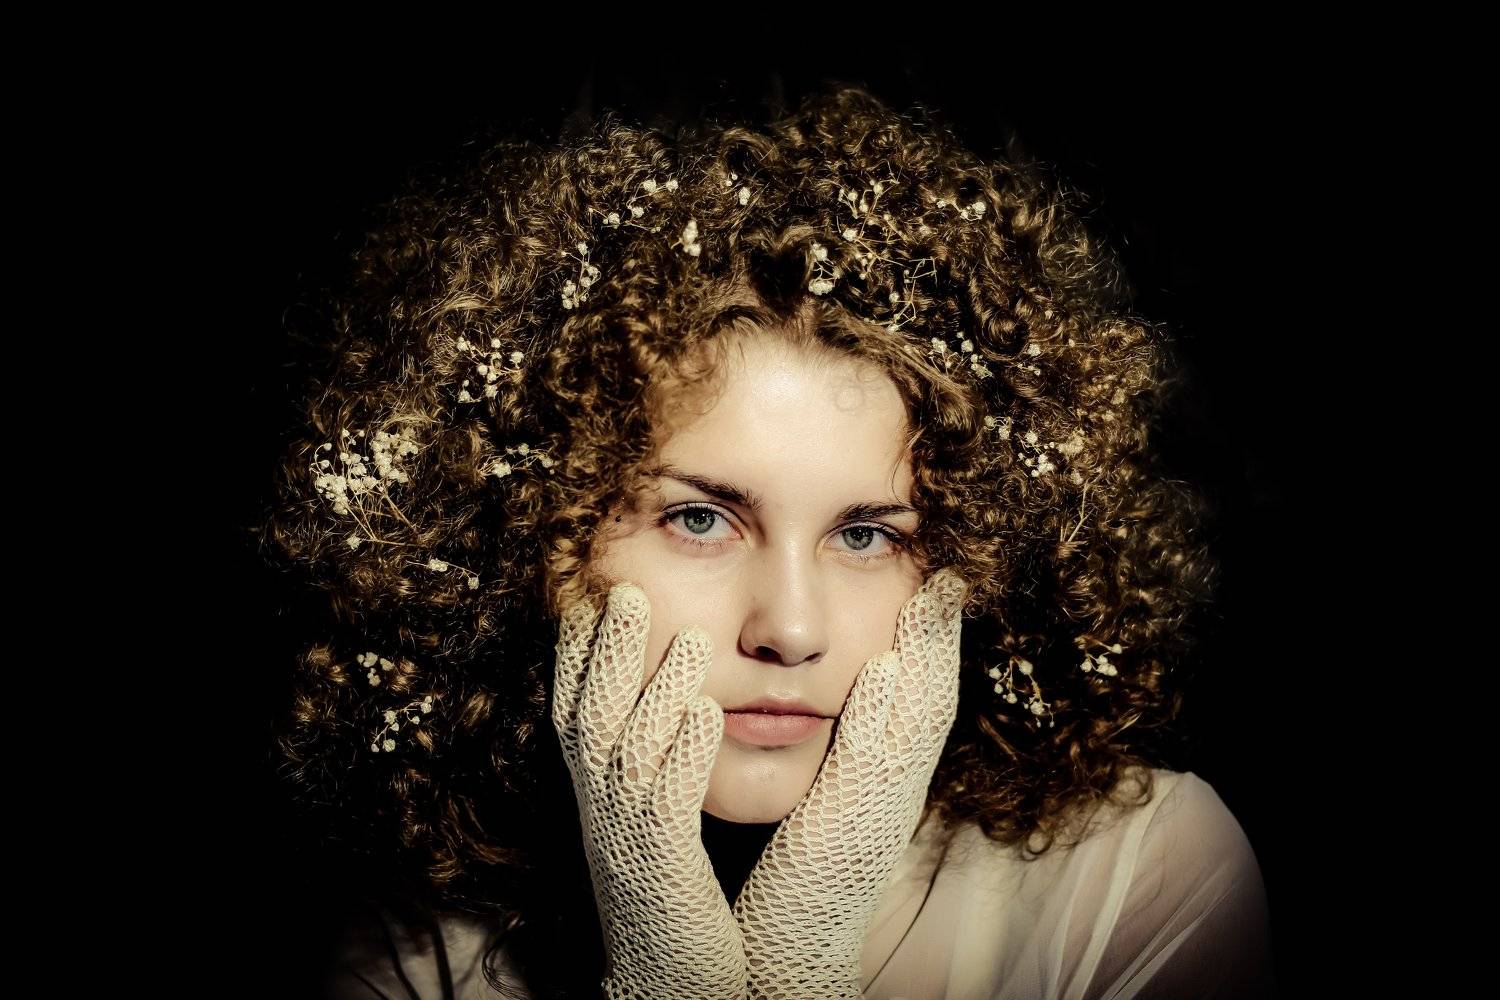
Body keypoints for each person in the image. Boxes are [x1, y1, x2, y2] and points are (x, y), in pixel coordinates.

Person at [255, 83, 1276, 999]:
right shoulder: (415, 952)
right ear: (532, 535)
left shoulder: (1143, 872)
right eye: (699, 519)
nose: (790, 629)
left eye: (866, 534)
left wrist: (802, 962)